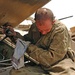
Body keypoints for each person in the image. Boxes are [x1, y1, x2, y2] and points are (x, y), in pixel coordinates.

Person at [2, 8, 75, 74]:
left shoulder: (60, 30)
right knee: (15, 72)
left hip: (59, 63)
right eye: (40, 30)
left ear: (53, 22)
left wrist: (28, 47)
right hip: (39, 64)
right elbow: (26, 40)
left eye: (46, 30)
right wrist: (14, 35)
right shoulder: (34, 26)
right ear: (36, 22)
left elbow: (52, 58)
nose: (43, 33)